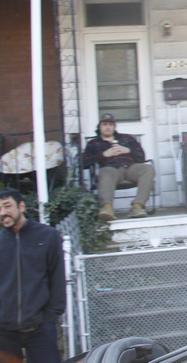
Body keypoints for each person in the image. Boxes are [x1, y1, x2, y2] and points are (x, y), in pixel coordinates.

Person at [0, 188, 66, 363]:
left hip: (40, 327)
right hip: (4, 331)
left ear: (21, 206)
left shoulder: (47, 236)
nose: (2, 213)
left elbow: (57, 278)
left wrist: (50, 317)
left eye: (7, 206)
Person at [82, 112, 155, 221]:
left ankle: (138, 206)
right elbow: (84, 163)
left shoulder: (127, 138)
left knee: (148, 169)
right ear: (100, 126)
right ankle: (107, 208)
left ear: (114, 126)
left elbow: (141, 157)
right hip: (111, 170)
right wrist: (103, 155)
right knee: (105, 171)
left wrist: (128, 150)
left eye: (110, 124)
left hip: (130, 168)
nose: (108, 127)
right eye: (105, 124)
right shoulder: (94, 143)